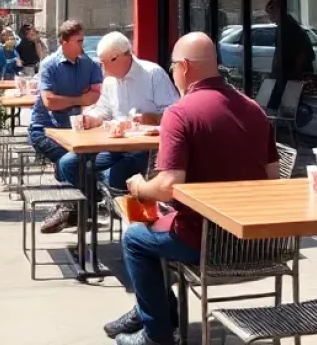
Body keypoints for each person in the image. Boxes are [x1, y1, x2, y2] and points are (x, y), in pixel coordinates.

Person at [103, 33, 280, 345]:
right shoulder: (255, 109)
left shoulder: (180, 113)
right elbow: (273, 180)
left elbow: (169, 186)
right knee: (154, 226)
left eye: (173, 66)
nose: (172, 73)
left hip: (202, 241)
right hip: (256, 242)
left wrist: (141, 187)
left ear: (184, 67)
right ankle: (151, 311)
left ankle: (157, 334)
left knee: (134, 238)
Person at [29, 19, 104, 233]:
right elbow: (49, 102)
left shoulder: (89, 64)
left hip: (77, 130)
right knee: (68, 161)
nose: (82, 45)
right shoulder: (50, 65)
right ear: (63, 42)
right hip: (44, 129)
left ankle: (71, 208)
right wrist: (77, 99)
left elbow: (95, 96)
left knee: (74, 162)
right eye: (78, 41)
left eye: (83, 40)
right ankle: (87, 199)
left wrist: (68, 100)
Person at [82, 31, 180, 190]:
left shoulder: (152, 74)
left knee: (112, 175)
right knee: (70, 164)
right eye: (101, 63)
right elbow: (103, 110)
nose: (103, 69)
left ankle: (104, 192)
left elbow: (174, 114)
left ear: (121, 56)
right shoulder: (110, 81)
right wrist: (90, 119)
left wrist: (148, 118)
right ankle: (97, 196)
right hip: (115, 145)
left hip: (147, 150)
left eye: (105, 62)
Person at [265, 0, 315, 110]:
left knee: (284, 104)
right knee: (283, 104)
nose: (270, 17)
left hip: (288, 74)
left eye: (271, 13)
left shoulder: (289, 27)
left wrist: (295, 72)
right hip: (283, 73)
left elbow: (302, 52)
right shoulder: (283, 27)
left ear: (277, 10)